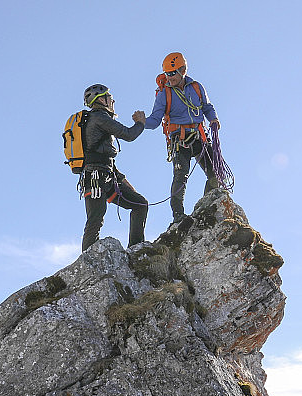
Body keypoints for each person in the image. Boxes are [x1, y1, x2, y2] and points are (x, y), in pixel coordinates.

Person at [144, 52, 221, 224]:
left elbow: (207, 107)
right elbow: (155, 120)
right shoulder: (164, 94)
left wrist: (213, 119)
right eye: (167, 74)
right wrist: (142, 122)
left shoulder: (196, 87)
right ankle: (178, 215)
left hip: (199, 136)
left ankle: (207, 204)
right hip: (180, 139)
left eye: (172, 73)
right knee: (181, 176)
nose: (169, 78)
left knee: (215, 171)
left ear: (183, 70)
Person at [79, 84, 148, 251]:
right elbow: (128, 134)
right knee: (96, 219)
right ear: (101, 100)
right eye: (109, 97)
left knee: (140, 204)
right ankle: (88, 262)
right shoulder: (99, 117)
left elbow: (103, 156)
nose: (113, 100)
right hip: (95, 177)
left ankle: (135, 249)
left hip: (105, 175)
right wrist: (140, 123)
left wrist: (121, 179)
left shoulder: (98, 118)